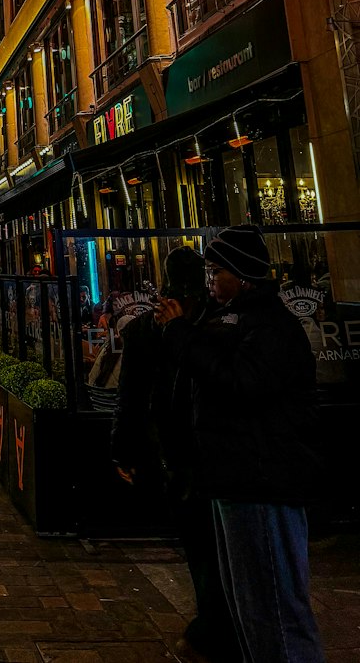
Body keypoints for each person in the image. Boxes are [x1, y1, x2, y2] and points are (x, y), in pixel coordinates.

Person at [158, 226, 325, 663]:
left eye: (217, 272)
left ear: (243, 275)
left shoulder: (269, 326)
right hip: (234, 480)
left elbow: (241, 383)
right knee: (249, 606)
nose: (210, 281)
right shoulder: (228, 320)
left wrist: (180, 335)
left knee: (275, 606)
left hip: (262, 482)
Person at [112, 247, 239, 663]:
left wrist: (124, 450)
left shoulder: (153, 329)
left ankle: (212, 630)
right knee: (215, 547)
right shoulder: (215, 322)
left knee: (204, 547)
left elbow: (130, 398)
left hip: (182, 453)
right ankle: (218, 626)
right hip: (209, 452)